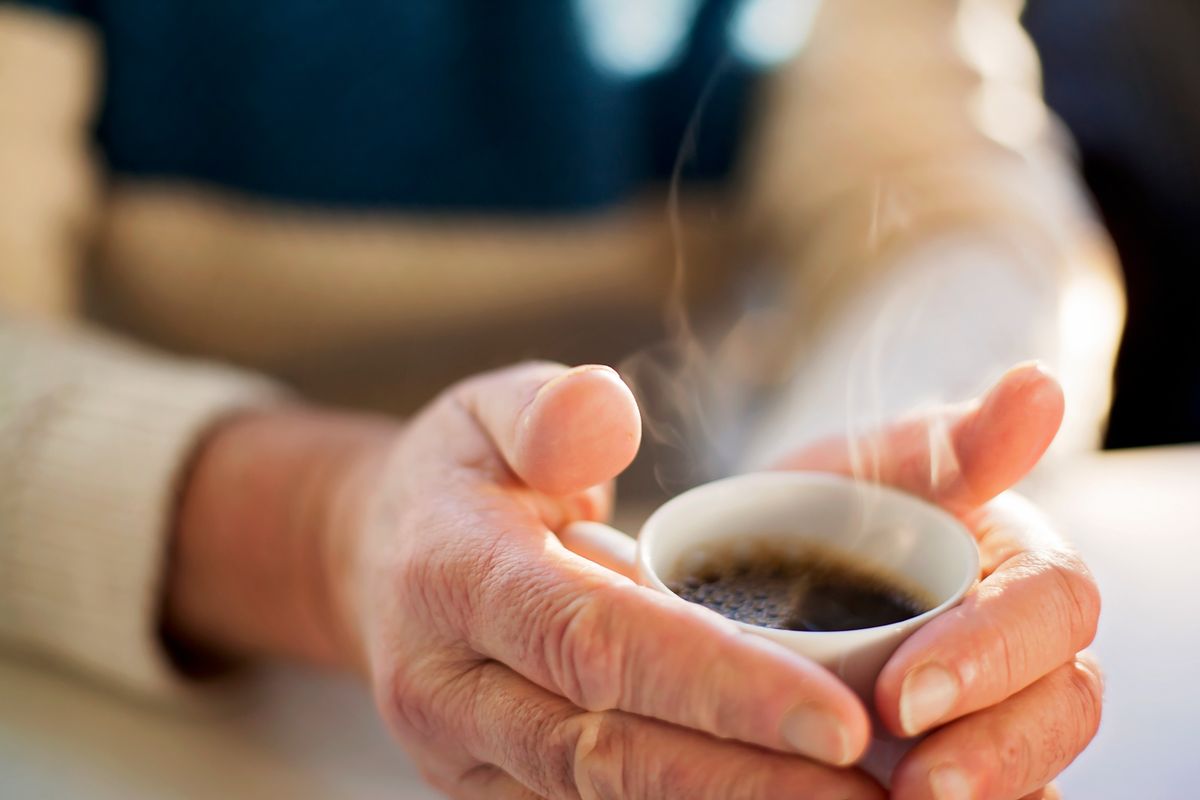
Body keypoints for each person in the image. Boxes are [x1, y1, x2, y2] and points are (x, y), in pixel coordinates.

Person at [0, 2, 1116, 798]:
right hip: (130, 685)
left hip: (659, 609)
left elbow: (952, 205)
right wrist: (327, 528)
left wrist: (891, 477)